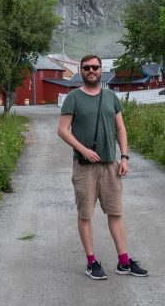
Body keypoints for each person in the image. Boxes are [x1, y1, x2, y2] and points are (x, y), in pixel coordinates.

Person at [57, 54, 148, 280]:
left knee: (115, 213)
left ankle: (124, 262)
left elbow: (120, 128)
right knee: (86, 214)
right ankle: (91, 262)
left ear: (100, 70)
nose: (91, 70)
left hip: (110, 166)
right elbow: (62, 130)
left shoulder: (111, 97)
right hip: (84, 166)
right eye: (87, 67)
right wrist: (84, 150)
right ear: (81, 70)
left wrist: (124, 157)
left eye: (95, 67)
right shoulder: (73, 98)